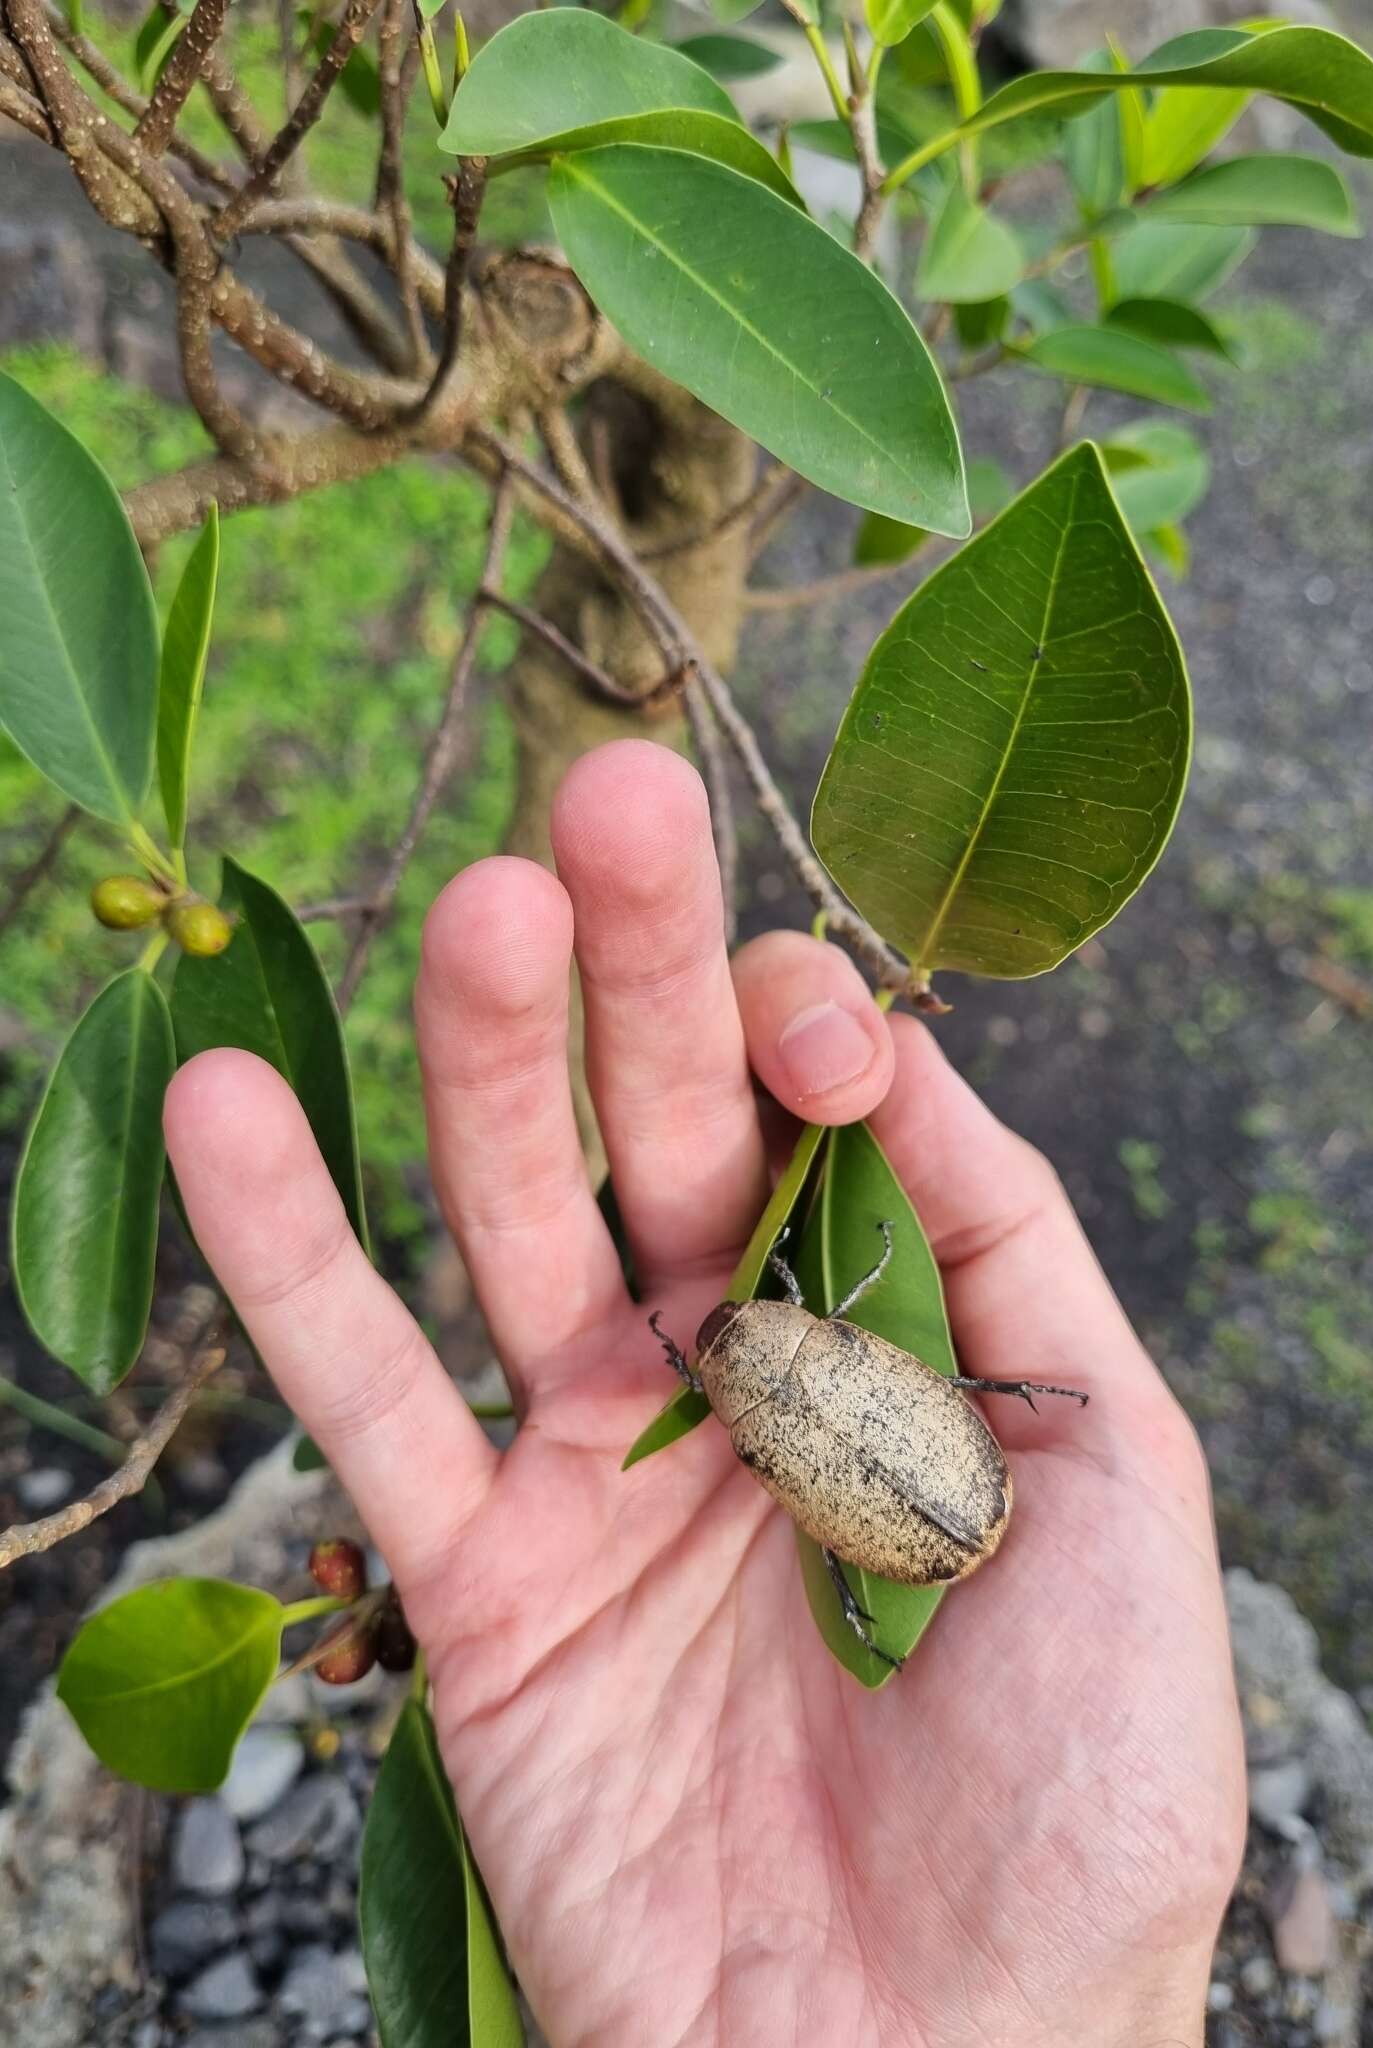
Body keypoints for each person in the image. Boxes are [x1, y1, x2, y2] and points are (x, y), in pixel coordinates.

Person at [165, 741, 1246, 2047]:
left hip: (929, 1483)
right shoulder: (817, 1351)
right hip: (933, 1478)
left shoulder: (772, 1412)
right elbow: (886, 1358)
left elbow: (846, 1386)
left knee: (872, 1400)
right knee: (890, 1392)